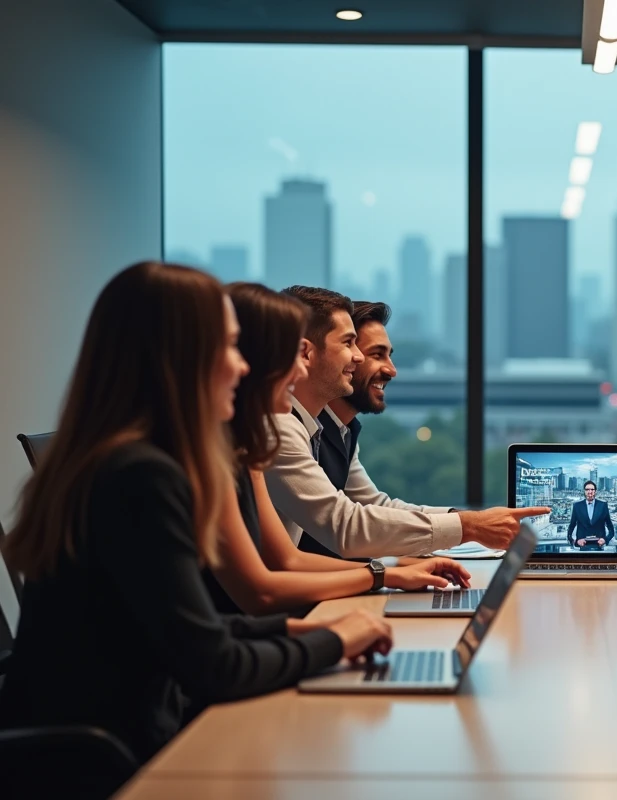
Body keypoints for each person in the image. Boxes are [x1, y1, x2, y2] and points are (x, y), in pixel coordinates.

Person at [0, 262, 392, 763]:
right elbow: (215, 664)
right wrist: (334, 642)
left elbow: (194, 625)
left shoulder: (127, 460)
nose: (242, 365)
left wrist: (311, 632)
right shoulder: (141, 477)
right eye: (229, 347)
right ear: (179, 359)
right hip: (108, 761)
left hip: (114, 740)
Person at [203, 283, 473, 615]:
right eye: (350, 344)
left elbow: (285, 561)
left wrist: (389, 572)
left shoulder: (245, 447)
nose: (359, 357)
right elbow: (271, 584)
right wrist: (384, 575)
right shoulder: (263, 435)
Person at [263, 287, 547, 559]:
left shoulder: (331, 430)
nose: (391, 370)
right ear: (306, 353)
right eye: (352, 345)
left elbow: (374, 507)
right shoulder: (282, 428)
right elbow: (344, 526)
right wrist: (469, 526)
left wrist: (472, 522)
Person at [567, 480, 615, 549]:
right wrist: (575, 541)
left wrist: (605, 539)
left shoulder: (603, 505)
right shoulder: (577, 506)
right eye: (587, 489)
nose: (590, 492)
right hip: (582, 546)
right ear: (584, 491)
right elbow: (571, 527)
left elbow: (611, 528)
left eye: (592, 489)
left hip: (599, 546)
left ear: (595, 491)